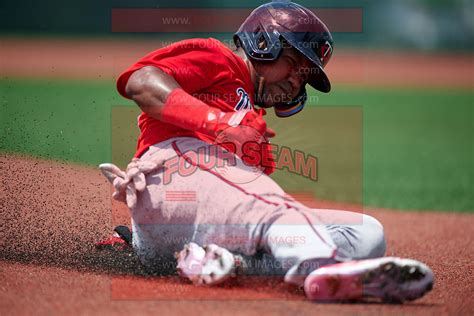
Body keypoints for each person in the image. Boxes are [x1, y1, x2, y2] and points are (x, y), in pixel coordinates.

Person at [98, 1, 434, 302]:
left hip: (185, 235)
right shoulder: (219, 58)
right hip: (168, 178)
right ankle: (319, 267)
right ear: (263, 43)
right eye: (294, 64)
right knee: (272, 210)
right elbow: (140, 81)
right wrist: (218, 122)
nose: (296, 82)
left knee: (365, 234)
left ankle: (222, 262)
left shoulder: (252, 123)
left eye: (304, 78)